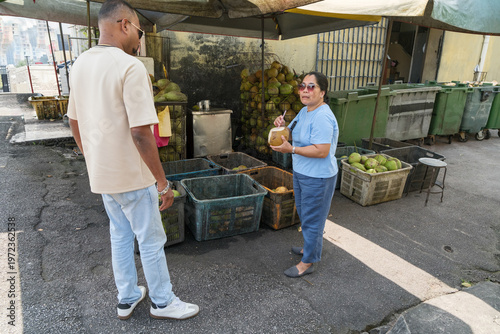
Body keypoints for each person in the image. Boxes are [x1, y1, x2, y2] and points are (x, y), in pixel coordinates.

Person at [67, 0, 199, 320]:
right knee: (151, 239)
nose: (140, 40)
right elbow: (142, 133)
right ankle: (163, 302)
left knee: (120, 235)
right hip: (132, 174)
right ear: (124, 24)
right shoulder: (130, 66)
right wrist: (163, 182)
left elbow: (73, 120)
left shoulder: (81, 63)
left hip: (103, 175)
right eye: (140, 31)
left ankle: (126, 297)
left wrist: (92, 156)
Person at [270, 71, 339, 278]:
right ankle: (310, 247)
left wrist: (291, 150)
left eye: (311, 87)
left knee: (313, 219)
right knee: (306, 214)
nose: (305, 91)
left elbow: (322, 150)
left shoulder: (323, 116)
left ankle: (309, 261)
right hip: (302, 172)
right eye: (302, 86)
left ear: (322, 92)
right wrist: (281, 127)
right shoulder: (305, 111)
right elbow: (291, 132)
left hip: (318, 177)